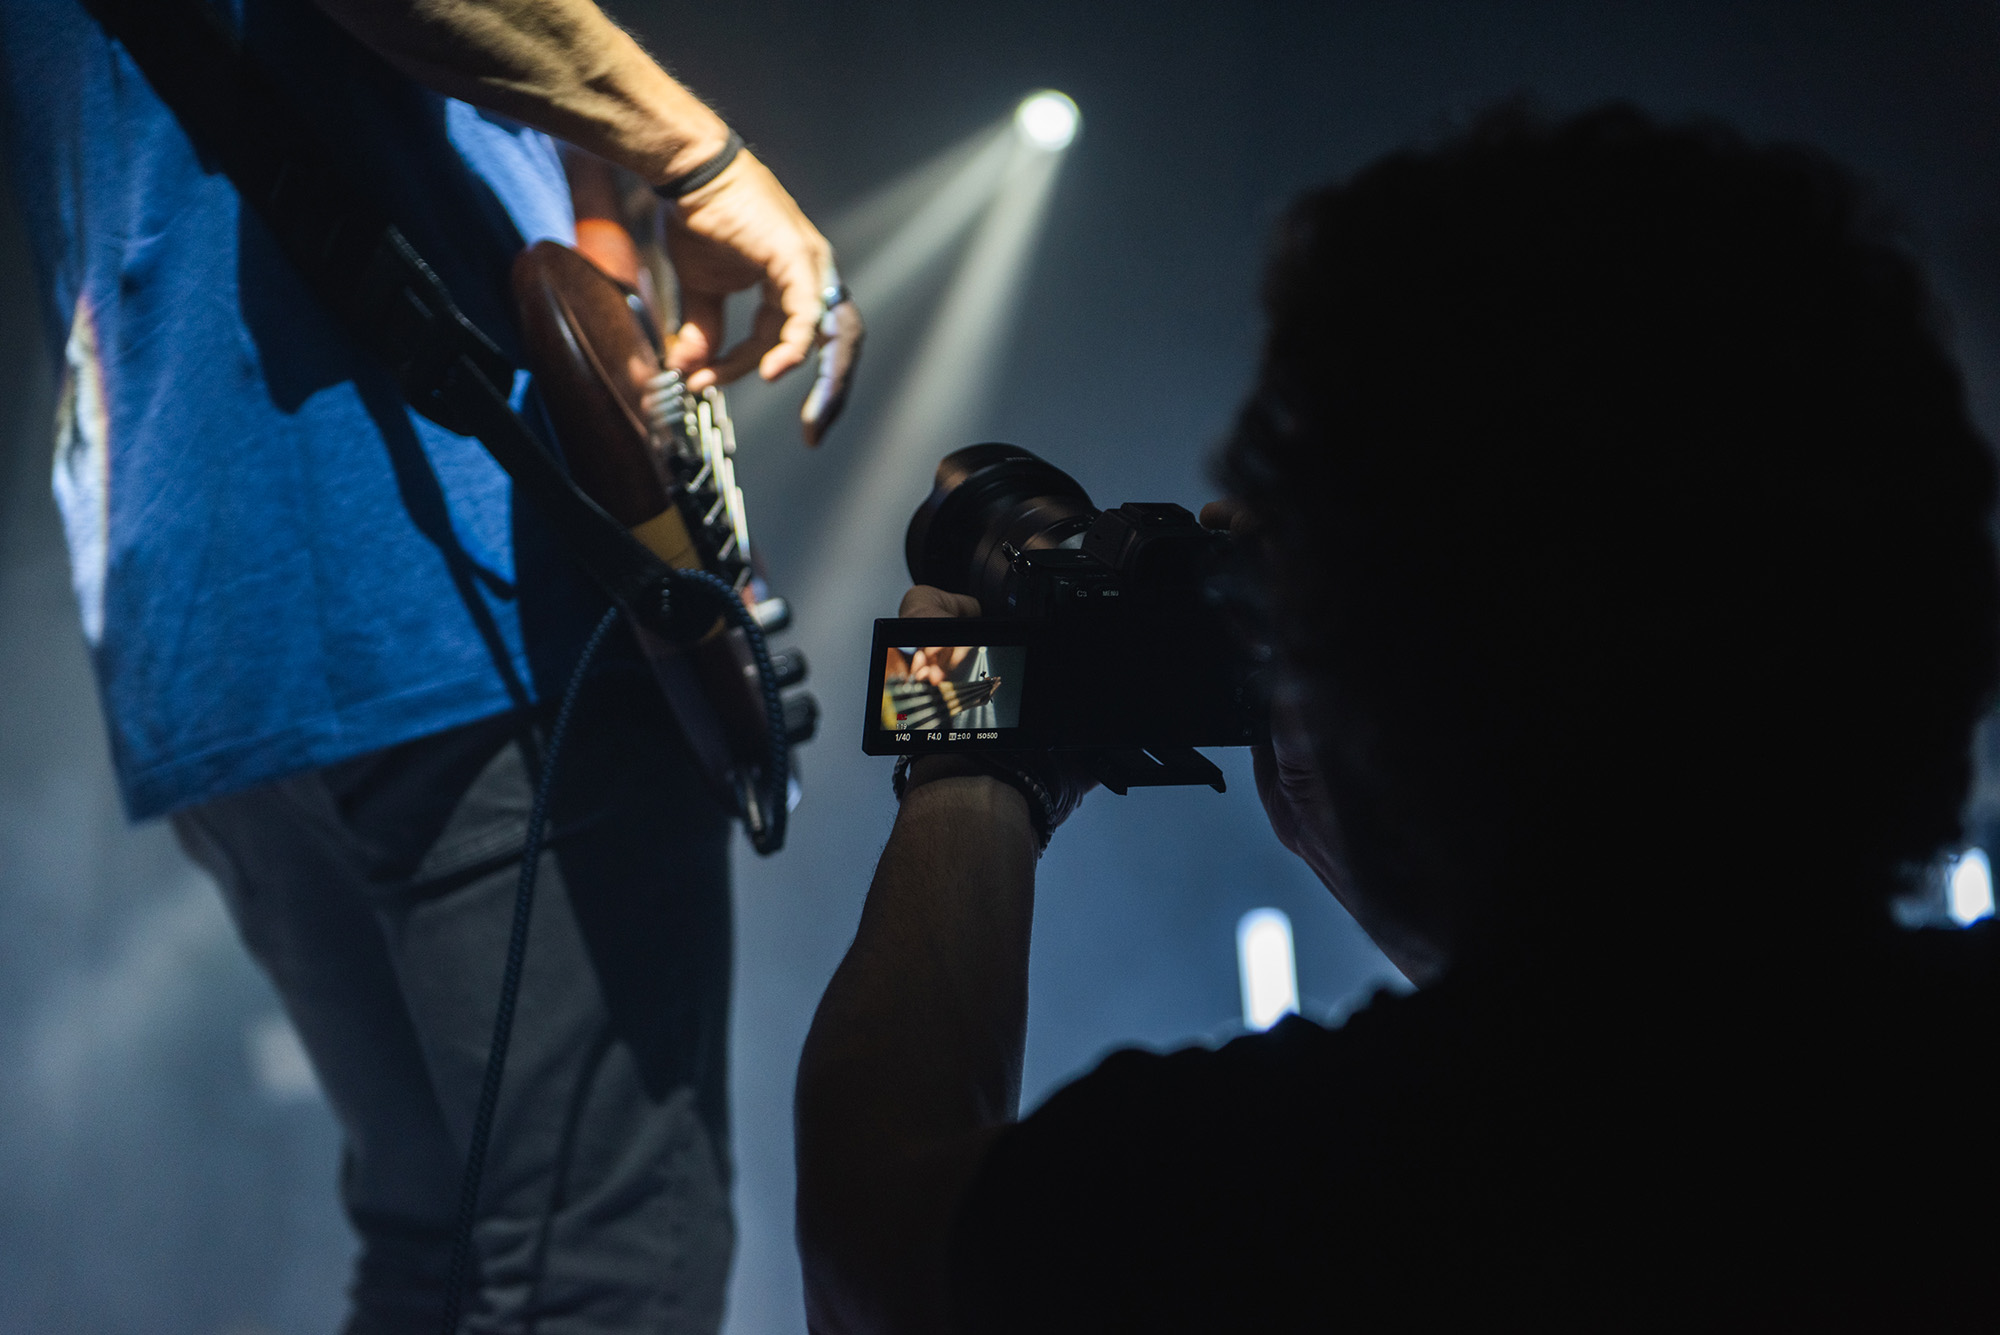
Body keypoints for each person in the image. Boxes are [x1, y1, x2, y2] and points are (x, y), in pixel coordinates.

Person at [794, 104, 2000, 1331]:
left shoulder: (1321, 1188)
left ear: (1392, 640)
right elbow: (1651, 1069)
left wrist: (967, 753)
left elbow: (869, 1249)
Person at [0, 1, 857, 1330]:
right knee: (603, 1256)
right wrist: (696, 151)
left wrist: (604, 230)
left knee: (436, 1234)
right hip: (451, 581)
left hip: (203, 616)